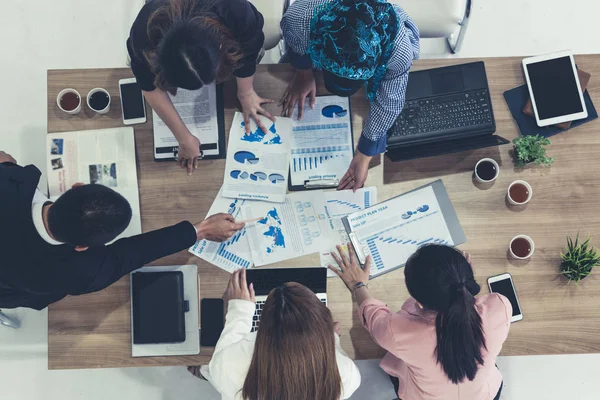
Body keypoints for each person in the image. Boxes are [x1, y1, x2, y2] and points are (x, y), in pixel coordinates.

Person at [0, 150, 244, 313]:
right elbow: (128, 256)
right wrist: (201, 230)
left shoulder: (12, 180)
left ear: (76, 187)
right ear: (81, 247)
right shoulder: (78, 272)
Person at [329, 244, 512, 400]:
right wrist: (460, 282)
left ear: (419, 302)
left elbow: (373, 315)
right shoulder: (501, 307)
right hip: (486, 395)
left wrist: (358, 285)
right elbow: (468, 306)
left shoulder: (397, 333)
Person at [280, 0, 420, 191]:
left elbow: (391, 100)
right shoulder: (302, 17)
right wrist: (304, 74)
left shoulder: (398, 49)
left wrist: (364, 154)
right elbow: (295, 40)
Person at [127, 0, 275, 175]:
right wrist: (184, 139)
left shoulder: (236, 11)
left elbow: (249, 52)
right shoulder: (144, 32)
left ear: (221, 44)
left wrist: (246, 93)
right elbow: (148, 86)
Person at [190, 269, 361, 400]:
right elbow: (335, 356)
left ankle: (202, 373)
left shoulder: (229, 364)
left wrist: (240, 309)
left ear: (263, 327)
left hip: (234, 386)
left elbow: (223, 350)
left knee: (208, 369)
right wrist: (333, 339)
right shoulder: (347, 375)